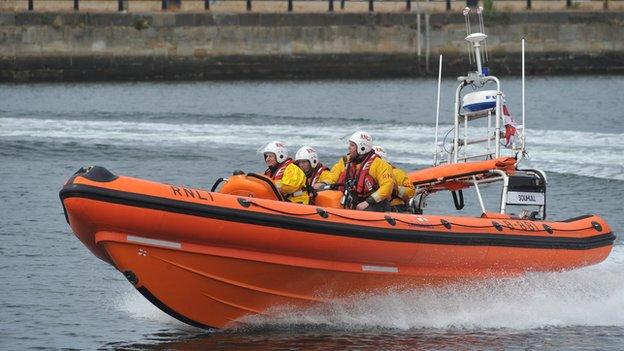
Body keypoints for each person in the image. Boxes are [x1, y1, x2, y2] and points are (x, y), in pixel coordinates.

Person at [324, 131, 394, 212]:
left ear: (362, 148)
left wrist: (368, 202)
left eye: (352, 145)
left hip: (375, 204)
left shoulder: (379, 164)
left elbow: (387, 186)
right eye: (349, 144)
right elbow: (333, 175)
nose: (349, 147)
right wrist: (324, 184)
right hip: (354, 201)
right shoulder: (347, 161)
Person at [372, 145, 416, 212]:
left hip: (395, 207)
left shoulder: (397, 173)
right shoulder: (367, 172)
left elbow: (411, 191)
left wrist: (395, 190)